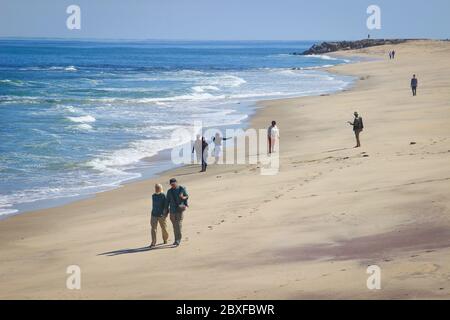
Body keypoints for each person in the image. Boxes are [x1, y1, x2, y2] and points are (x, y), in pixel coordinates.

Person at [166, 178, 189, 246]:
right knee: (174, 226)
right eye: (171, 184)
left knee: (178, 226)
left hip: (179, 210)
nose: (172, 185)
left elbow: (187, 196)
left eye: (173, 184)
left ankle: (177, 240)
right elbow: (167, 201)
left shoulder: (181, 189)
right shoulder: (169, 191)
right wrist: (166, 210)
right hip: (172, 211)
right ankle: (176, 239)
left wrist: (183, 197)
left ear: (176, 182)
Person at [150, 183, 169, 248]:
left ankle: (165, 239)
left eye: (158, 188)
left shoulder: (163, 195)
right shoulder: (153, 196)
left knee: (164, 228)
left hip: (161, 215)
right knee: (153, 229)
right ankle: (153, 242)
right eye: (156, 188)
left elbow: (166, 205)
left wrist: (165, 213)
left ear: (161, 188)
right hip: (154, 214)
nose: (156, 189)